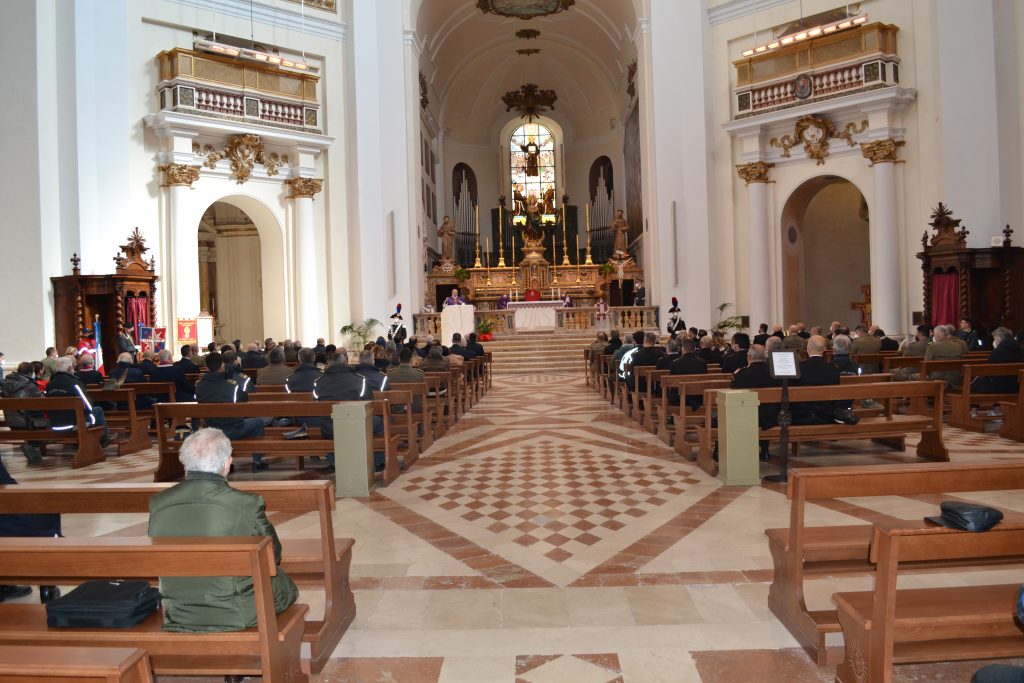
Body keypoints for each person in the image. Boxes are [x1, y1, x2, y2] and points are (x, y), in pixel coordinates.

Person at [148, 428, 298, 632]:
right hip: (237, 612)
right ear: (228, 463)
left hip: (180, 611)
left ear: (185, 463)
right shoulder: (246, 503)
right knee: (284, 585)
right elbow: (274, 555)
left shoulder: (158, 503)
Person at [312, 350, 386, 472]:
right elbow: (369, 401)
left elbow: (315, 403)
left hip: (329, 427)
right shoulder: (360, 380)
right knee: (380, 423)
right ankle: (377, 461)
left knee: (325, 423)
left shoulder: (318, 382)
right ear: (346, 362)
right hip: (357, 424)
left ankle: (334, 461)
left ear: (328, 365)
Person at [195, 352, 266, 472]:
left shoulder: (199, 386)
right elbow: (244, 398)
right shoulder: (231, 385)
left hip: (211, 429)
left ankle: (224, 463)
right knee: (258, 422)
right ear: (222, 366)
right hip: (233, 429)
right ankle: (257, 462)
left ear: (206, 368)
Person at [46, 356, 112, 447]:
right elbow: (88, 406)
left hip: (55, 424)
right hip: (74, 423)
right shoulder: (75, 384)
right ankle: (104, 439)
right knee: (98, 410)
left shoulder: (49, 385)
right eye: (73, 366)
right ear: (69, 368)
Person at [793, 335, 852, 425]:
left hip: (800, 416)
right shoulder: (833, 369)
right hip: (826, 416)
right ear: (824, 349)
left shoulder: (798, 368)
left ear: (808, 348)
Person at [2, 362, 47, 463]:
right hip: (27, 422)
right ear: (31, 373)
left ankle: (33, 448)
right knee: (45, 421)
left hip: (11, 420)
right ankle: (33, 448)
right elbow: (43, 403)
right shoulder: (30, 385)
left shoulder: (6, 383)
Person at [971, 327, 1023, 394]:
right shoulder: (1021, 350)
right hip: (1018, 387)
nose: (994, 341)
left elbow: (988, 371)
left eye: (994, 339)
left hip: (1000, 387)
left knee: (975, 384)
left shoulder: (997, 352)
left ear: (998, 338)